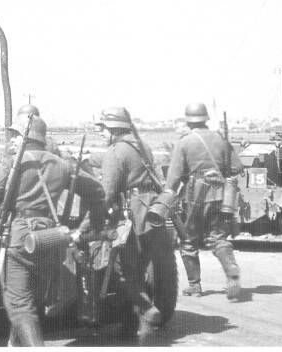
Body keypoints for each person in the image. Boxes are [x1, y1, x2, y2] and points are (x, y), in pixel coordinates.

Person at [0, 114, 105, 346]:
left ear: (25, 138)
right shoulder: (62, 164)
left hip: (20, 238)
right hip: (51, 239)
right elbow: (97, 191)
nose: (12, 142)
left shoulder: (15, 163)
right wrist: (89, 226)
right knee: (33, 300)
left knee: (19, 305)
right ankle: (14, 344)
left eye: (15, 136)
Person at [96, 106, 168, 343]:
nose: (101, 133)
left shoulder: (115, 152)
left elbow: (107, 192)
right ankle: (133, 326)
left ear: (114, 130)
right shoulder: (142, 145)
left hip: (132, 216)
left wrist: (93, 220)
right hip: (153, 212)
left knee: (123, 270)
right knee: (139, 268)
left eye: (103, 129)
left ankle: (147, 312)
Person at [165, 102, 243, 300]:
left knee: (189, 240)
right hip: (221, 196)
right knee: (218, 237)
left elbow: (174, 177)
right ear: (205, 119)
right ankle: (231, 268)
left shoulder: (185, 142)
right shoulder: (220, 139)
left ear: (188, 121)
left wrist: (168, 194)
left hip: (195, 198)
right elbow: (236, 168)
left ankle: (195, 286)